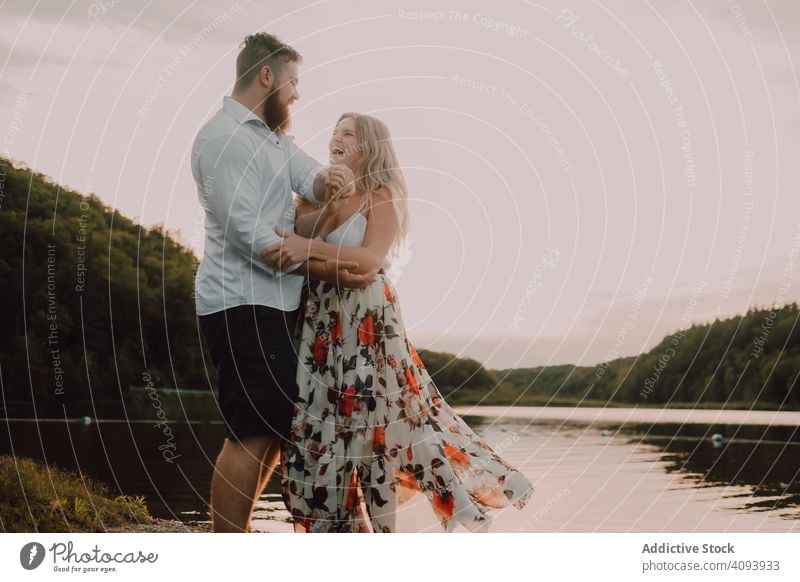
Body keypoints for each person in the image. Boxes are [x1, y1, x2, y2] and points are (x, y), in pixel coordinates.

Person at [265, 112, 534, 532]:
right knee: (321, 423)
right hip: (320, 319)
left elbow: (371, 259)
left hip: (369, 321)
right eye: (334, 133)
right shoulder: (313, 195)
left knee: (377, 426)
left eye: (347, 134)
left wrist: (307, 246)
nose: (336, 139)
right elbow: (289, 250)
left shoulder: (381, 194)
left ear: (368, 146)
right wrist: (318, 218)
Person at [191, 33, 375, 533]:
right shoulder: (222, 140)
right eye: (293, 83)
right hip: (239, 302)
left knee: (273, 422)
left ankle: (241, 532)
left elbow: (306, 174)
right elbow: (249, 233)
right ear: (267, 77)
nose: (297, 95)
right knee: (253, 424)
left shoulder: (272, 138)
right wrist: (325, 264)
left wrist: (327, 181)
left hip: (275, 303)